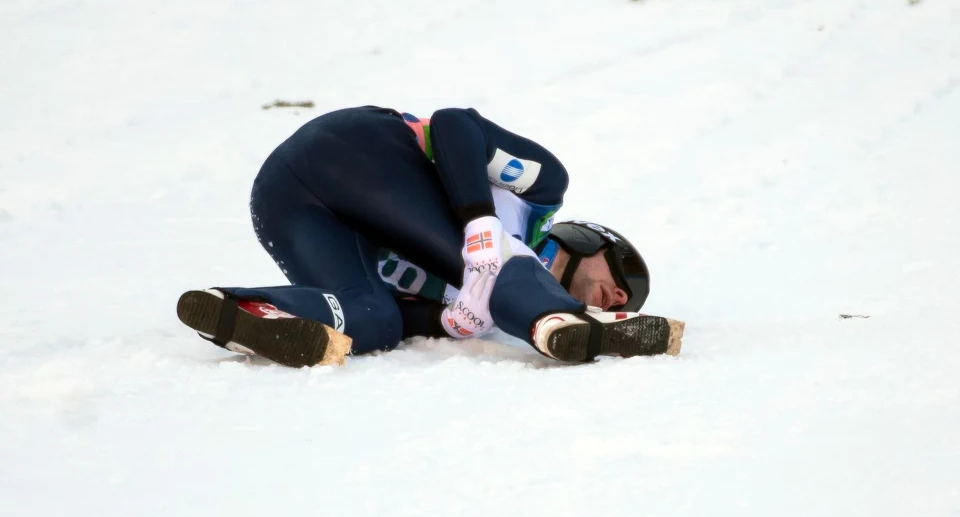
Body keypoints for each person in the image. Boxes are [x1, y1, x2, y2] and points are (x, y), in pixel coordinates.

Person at [176, 106, 683, 367]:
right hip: (355, 145)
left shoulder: (481, 302)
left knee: (374, 320)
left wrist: (446, 321)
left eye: (626, 302)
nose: (622, 296)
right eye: (623, 280)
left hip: (286, 203)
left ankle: (241, 310)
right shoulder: (542, 191)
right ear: (591, 240)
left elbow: (405, 303)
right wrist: (480, 219)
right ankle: (566, 328)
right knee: (502, 260)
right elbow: (454, 125)